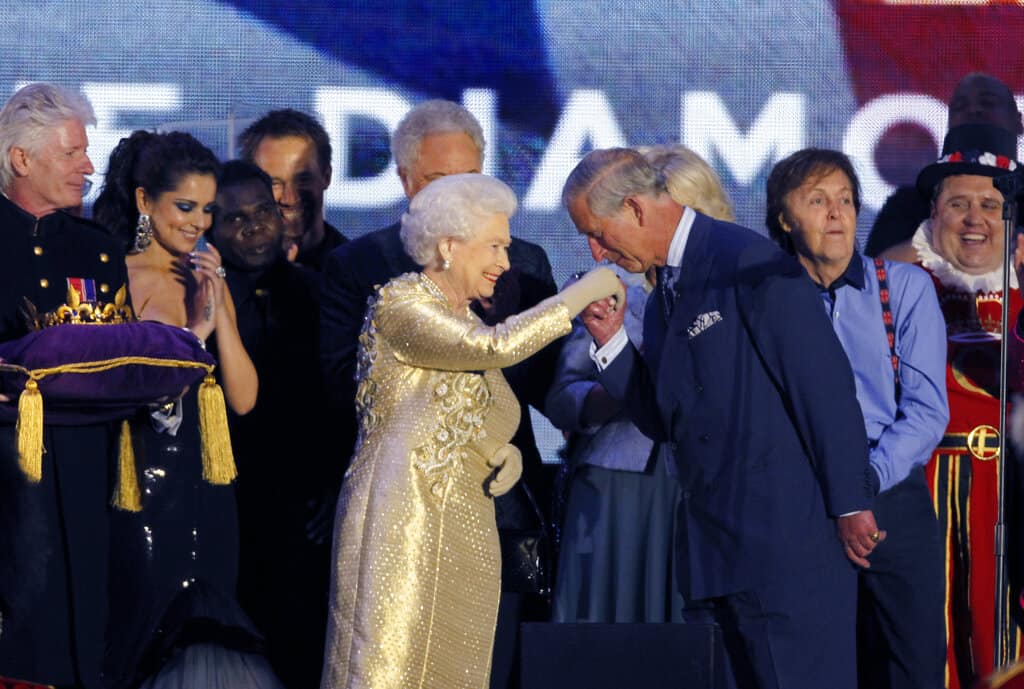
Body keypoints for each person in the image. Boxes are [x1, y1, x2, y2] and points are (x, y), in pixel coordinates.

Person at [563, 147, 880, 689]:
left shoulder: (747, 264)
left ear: (636, 208)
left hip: (785, 554)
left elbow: (822, 389)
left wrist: (851, 503)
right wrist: (610, 341)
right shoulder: (664, 292)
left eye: (597, 233)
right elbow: (665, 420)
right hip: (712, 555)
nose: (596, 253)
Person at [319, 172, 622, 689]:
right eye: (495, 246)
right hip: (402, 516)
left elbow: (495, 404)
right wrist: (577, 297)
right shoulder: (402, 304)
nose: (505, 261)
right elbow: (494, 349)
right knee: (388, 664)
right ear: (449, 246)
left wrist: (505, 451)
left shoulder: (464, 320)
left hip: (465, 519)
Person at [92, 131, 275, 687]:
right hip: (138, 488)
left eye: (207, 210)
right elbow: (122, 387)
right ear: (145, 201)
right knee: (144, 637)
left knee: (209, 632)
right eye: (185, 207)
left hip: (209, 489)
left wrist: (216, 310)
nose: (198, 223)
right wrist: (193, 330)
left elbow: (243, 397)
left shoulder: (206, 279)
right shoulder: (114, 277)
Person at [767, 148, 948, 689]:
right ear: (784, 218)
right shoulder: (764, 298)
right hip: (802, 497)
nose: (836, 213)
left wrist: (862, 484)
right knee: (816, 665)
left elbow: (926, 410)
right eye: (817, 200)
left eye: (845, 200)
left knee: (913, 662)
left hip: (889, 491)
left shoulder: (904, 287)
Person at [546, 143, 733, 623]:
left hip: (709, 484)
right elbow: (562, 400)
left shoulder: (734, 288)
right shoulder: (610, 290)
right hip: (618, 487)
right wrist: (626, 387)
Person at [878, 123, 1024, 689]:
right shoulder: (894, 280)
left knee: (1004, 639)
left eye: (990, 205)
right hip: (922, 485)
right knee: (925, 640)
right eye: (959, 204)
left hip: (1014, 488)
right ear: (934, 212)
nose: (974, 219)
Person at [0, 83, 128, 689]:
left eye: (87, 151)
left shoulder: (98, 251)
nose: (89, 166)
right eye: (72, 153)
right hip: (6, 470)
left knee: (85, 627)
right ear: (21, 159)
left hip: (85, 466)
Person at [209, 159, 334, 688]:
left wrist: (337, 485)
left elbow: (346, 399)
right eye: (235, 218)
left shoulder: (320, 293)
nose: (254, 226)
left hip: (304, 510)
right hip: (224, 505)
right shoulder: (198, 305)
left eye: (263, 211)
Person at [867, 72, 1022, 257]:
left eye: (988, 103)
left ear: (1019, 121)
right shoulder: (910, 203)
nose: (974, 111)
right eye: (960, 107)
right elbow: (875, 270)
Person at [238, 108, 347, 270]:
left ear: (326, 176)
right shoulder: (228, 275)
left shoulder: (359, 272)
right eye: (274, 183)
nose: (290, 199)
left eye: (303, 180)